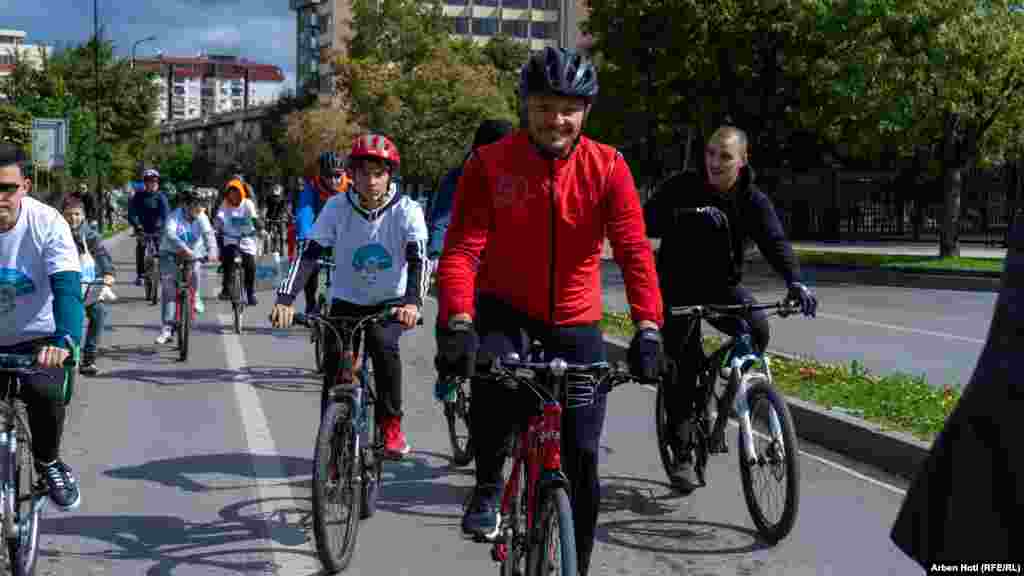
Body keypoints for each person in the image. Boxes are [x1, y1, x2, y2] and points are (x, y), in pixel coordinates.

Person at [435, 47, 664, 575]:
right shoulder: (489, 164)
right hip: (505, 309)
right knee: (492, 387)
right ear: (525, 106)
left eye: (568, 109)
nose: (556, 120)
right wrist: (459, 322)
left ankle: (576, 564)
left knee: (582, 457)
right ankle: (488, 486)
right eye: (543, 107)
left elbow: (633, 252)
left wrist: (649, 327)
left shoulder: (609, 167)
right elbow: (462, 251)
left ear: (586, 111)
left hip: (576, 322)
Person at [643, 126, 818, 492]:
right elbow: (646, 220)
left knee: (758, 329)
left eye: (725, 156)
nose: (715, 162)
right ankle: (683, 452)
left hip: (722, 287)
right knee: (683, 365)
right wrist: (688, 216)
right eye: (710, 153)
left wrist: (796, 282)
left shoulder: (752, 199)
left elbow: (774, 240)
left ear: (742, 160)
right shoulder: (682, 186)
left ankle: (723, 383)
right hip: (676, 286)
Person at [272, 133, 427, 459]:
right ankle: (330, 440)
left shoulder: (407, 210)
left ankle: (391, 425)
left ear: (390, 175)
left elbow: (419, 260)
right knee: (334, 365)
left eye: (378, 173)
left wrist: (412, 303)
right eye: (363, 173)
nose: (371, 181)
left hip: (390, 303)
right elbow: (309, 254)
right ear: (351, 174)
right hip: (345, 301)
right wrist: (285, 299)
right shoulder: (336, 207)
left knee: (383, 345)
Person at [0, 142, 83, 510]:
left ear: (26, 186)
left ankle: (48, 462)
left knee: (46, 393)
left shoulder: (48, 223)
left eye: (7, 188)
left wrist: (64, 339)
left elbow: (67, 289)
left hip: (40, 341)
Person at [426, 119, 515, 262]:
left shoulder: (515, 180)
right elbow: (442, 221)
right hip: (464, 259)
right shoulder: (457, 178)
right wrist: (436, 255)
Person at [154, 188, 218, 345]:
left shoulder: (201, 216)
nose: (199, 208)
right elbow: (170, 234)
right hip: (170, 252)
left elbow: (209, 235)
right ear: (185, 205)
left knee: (195, 271)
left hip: (193, 254)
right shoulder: (174, 216)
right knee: (169, 288)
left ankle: (195, 296)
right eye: (195, 204)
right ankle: (167, 328)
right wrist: (184, 249)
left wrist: (212, 251)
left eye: (201, 205)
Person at [61, 196, 115, 376]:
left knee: (99, 312)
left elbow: (101, 254)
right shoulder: (55, 233)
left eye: (77, 214)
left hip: (87, 286)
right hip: (63, 285)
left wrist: (108, 273)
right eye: (69, 215)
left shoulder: (91, 235)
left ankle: (89, 358)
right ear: (62, 215)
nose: (73, 218)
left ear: (83, 216)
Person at [292, 151, 351, 314]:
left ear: (343, 173)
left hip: (344, 237)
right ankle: (310, 304)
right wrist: (305, 236)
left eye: (337, 175)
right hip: (318, 235)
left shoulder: (352, 189)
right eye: (328, 175)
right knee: (311, 266)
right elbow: (305, 212)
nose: (333, 180)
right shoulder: (311, 188)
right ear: (321, 174)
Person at [216, 179, 260, 306]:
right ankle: (226, 289)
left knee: (250, 266)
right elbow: (220, 217)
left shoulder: (247, 204)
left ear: (241, 192)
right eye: (230, 193)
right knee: (228, 260)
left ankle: (250, 294)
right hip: (230, 238)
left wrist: (260, 228)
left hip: (247, 239)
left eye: (236, 192)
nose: (233, 195)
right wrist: (216, 226)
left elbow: (254, 219)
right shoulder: (225, 204)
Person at [126, 169, 171, 287]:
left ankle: (162, 273)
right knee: (141, 247)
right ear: (145, 183)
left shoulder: (161, 196)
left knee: (161, 249)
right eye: (149, 181)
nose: (152, 184)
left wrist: (160, 224)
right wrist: (137, 225)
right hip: (142, 229)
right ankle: (140, 275)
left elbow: (165, 214)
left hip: (158, 229)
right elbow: (131, 213)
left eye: (155, 181)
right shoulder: (138, 196)